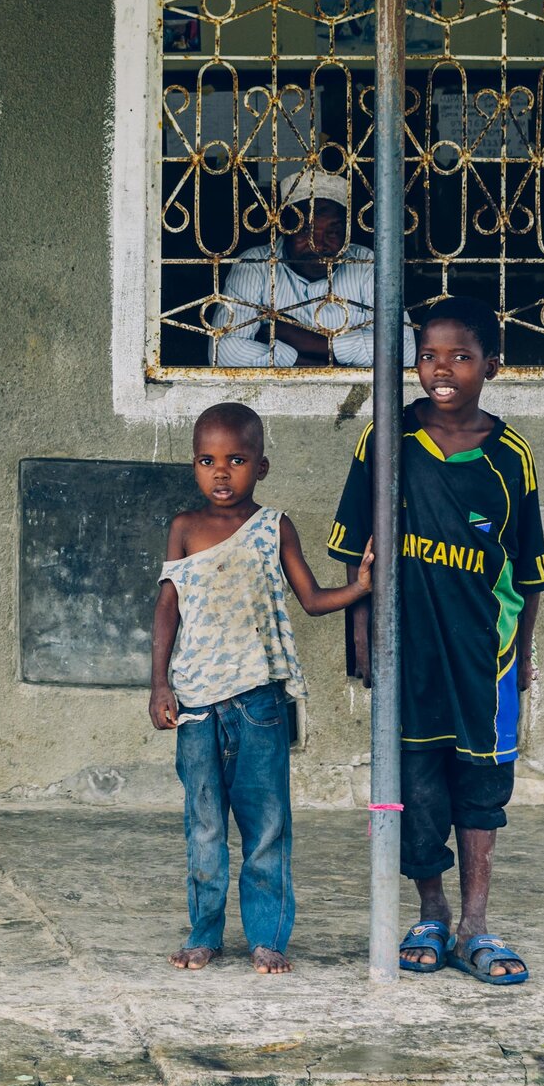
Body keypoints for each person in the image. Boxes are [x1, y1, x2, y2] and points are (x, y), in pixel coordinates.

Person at [328, 294, 544, 986]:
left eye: (460, 355)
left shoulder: (511, 457)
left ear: (492, 364)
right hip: (409, 653)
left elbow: (531, 570)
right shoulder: (387, 440)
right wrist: (360, 637)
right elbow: (353, 550)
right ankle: (430, 910)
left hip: (486, 656)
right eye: (428, 356)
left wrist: (526, 656)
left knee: (480, 790)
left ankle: (475, 924)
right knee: (415, 789)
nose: (442, 369)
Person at [148, 403, 372, 975]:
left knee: (267, 824)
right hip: (196, 705)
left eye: (237, 460)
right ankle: (205, 934)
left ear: (262, 466)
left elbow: (314, 599)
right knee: (203, 825)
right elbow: (166, 611)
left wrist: (362, 586)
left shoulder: (275, 526)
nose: (221, 473)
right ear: (193, 465)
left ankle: (268, 938)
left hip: (258, 702)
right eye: (207, 460)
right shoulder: (183, 528)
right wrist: (159, 684)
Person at [210, 170, 415, 369]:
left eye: (333, 232)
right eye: (305, 229)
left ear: (347, 233)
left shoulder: (366, 264)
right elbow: (223, 353)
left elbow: (404, 351)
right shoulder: (255, 264)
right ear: (284, 228)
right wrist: (312, 363)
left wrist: (295, 337)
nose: (318, 245)